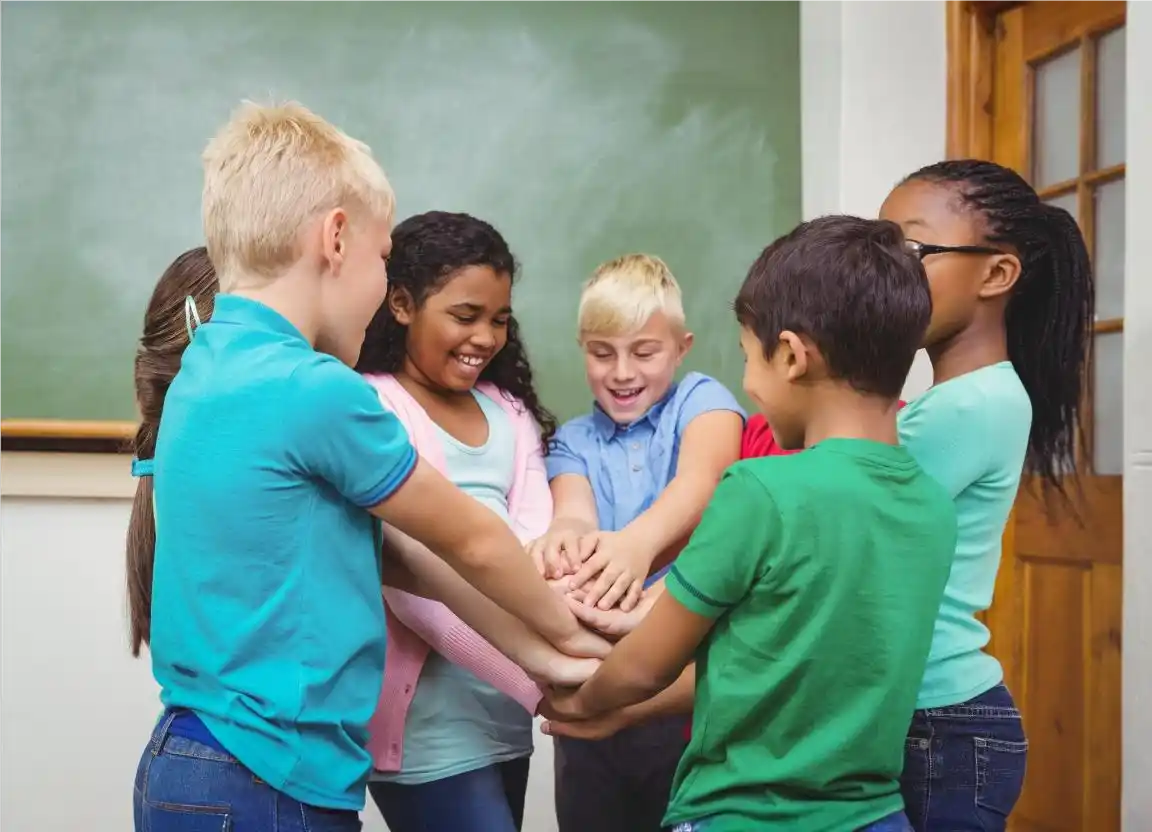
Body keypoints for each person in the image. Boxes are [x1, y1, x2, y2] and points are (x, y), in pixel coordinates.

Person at [128, 101, 596, 832]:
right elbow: (467, 537)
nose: (383, 287)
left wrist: (541, 658)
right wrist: (571, 642)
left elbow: (402, 559)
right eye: (384, 258)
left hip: (192, 764)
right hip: (267, 778)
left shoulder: (208, 368)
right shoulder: (314, 390)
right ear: (336, 239)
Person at [545, 216, 957, 832]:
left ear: (790, 355)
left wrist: (590, 705)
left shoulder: (759, 490)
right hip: (874, 816)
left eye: (747, 356)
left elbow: (646, 666)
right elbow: (792, 649)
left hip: (737, 814)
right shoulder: (933, 504)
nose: (746, 383)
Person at [354, 211, 603, 831]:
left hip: (504, 721)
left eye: (499, 319)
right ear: (403, 304)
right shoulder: (373, 404)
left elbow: (534, 546)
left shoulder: (509, 411)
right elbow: (412, 583)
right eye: (465, 316)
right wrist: (538, 681)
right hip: (428, 729)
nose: (485, 337)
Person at [877, 159, 1093, 831]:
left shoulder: (968, 408)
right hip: (932, 720)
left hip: (940, 725)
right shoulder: (952, 402)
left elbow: (835, 526)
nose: (883, 274)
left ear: (996, 275)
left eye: (908, 252)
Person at [529, 253, 744, 832]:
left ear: (682, 346)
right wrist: (561, 540)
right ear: (581, 349)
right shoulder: (571, 441)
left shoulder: (704, 401)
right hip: (598, 682)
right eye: (602, 353)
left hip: (685, 691)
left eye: (644, 352)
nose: (622, 372)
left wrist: (634, 546)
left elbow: (703, 479)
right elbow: (573, 513)